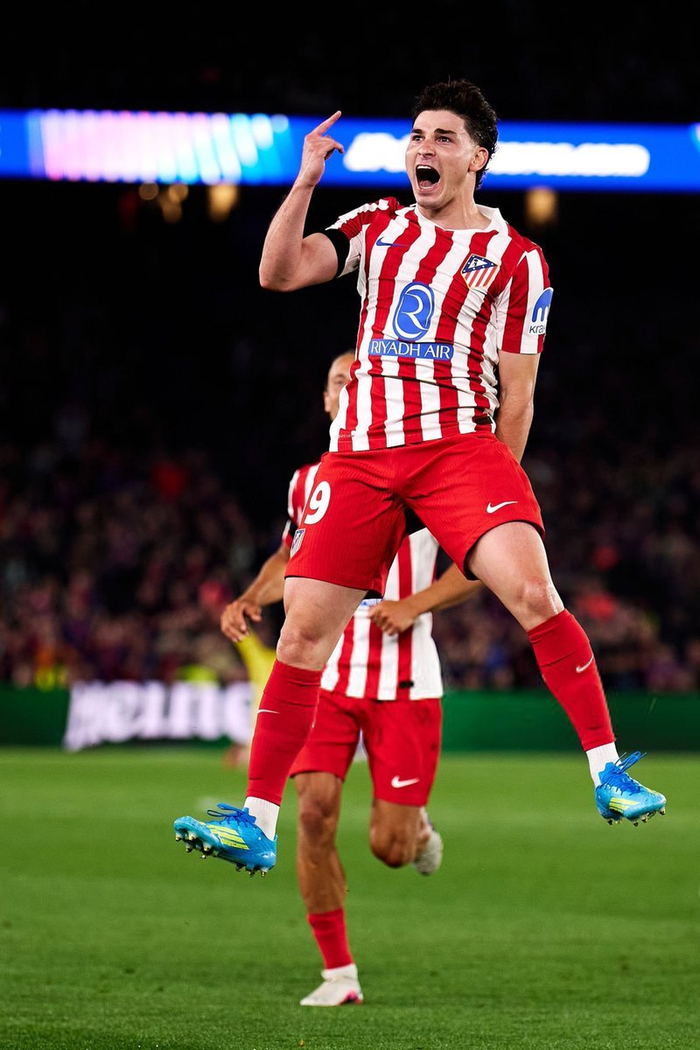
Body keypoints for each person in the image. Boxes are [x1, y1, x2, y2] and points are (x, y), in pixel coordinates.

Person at [173, 77, 666, 881]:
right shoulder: (377, 225)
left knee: (533, 591)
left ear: (477, 158)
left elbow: (519, 394)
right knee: (301, 635)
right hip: (361, 457)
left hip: (457, 451)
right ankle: (255, 820)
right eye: (416, 135)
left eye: (442, 137)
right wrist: (304, 180)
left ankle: (609, 771)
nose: (423, 149)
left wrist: (494, 493)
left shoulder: (517, 260)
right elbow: (279, 272)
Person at [214, 351, 480, 1005]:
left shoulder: (427, 475)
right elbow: (290, 554)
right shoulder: (308, 483)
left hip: (405, 681)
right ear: (329, 400)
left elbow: (479, 562)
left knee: (390, 848)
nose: (350, 389)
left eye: (361, 380)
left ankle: (416, 830)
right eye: (340, 381)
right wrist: (250, 596)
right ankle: (339, 974)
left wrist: (414, 604)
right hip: (326, 678)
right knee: (312, 813)